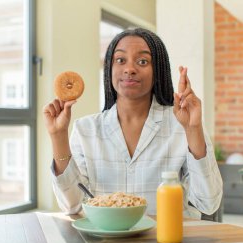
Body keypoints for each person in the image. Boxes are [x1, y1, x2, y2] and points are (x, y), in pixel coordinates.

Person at [43, 28, 222, 219]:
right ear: (109, 70)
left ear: (158, 71)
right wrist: (58, 135)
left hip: (168, 241)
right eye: (120, 60)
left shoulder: (182, 125)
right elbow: (73, 206)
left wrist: (193, 129)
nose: (129, 69)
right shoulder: (85, 129)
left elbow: (208, 203)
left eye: (142, 61)